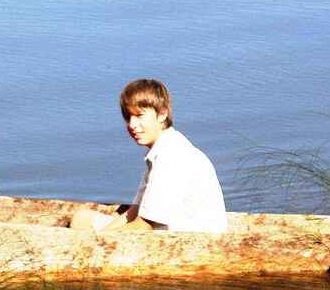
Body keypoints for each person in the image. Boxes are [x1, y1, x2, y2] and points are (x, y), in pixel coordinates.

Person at [71, 78, 228, 234]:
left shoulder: (170, 157)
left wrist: (96, 241)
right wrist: (101, 235)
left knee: (81, 223)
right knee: (82, 218)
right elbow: (134, 212)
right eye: (129, 117)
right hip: (169, 229)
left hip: (189, 238)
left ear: (162, 114)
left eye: (139, 115)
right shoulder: (162, 148)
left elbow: (144, 226)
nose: (132, 125)